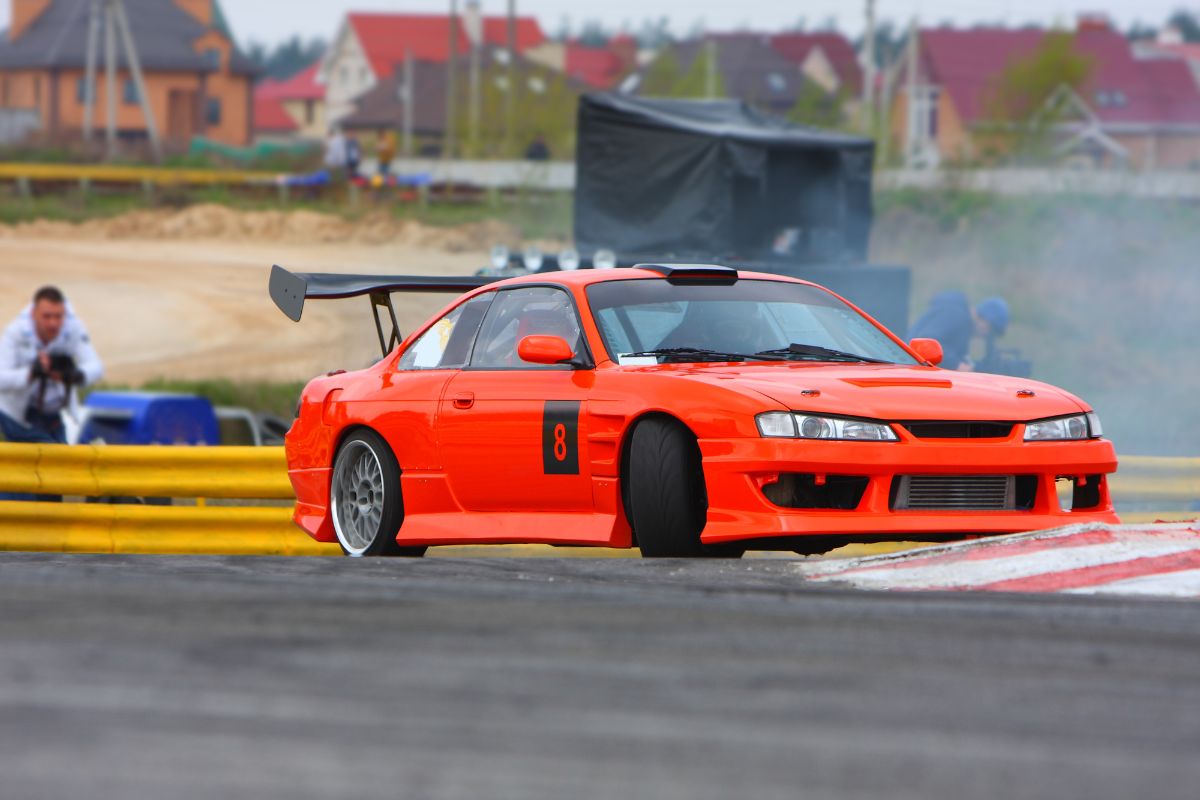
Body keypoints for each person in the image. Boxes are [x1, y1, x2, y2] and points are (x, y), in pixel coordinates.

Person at [0, 286, 104, 444]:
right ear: (33, 313)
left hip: (52, 416)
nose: (53, 323)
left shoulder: (73, 328)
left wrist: (75, 375)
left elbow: (96, 368)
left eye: (58, 316)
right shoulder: (15, 333)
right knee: (51, 458)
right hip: (16, 416)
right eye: (46, 316)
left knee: (64, 465)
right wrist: (30, 374)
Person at [909, 291, 1009, 371]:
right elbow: (927, 341)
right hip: (911, 369)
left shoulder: (960, 320)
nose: (986, 334)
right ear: (983, 318)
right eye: (989, 328)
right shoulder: (957, 315)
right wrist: (956, 364)